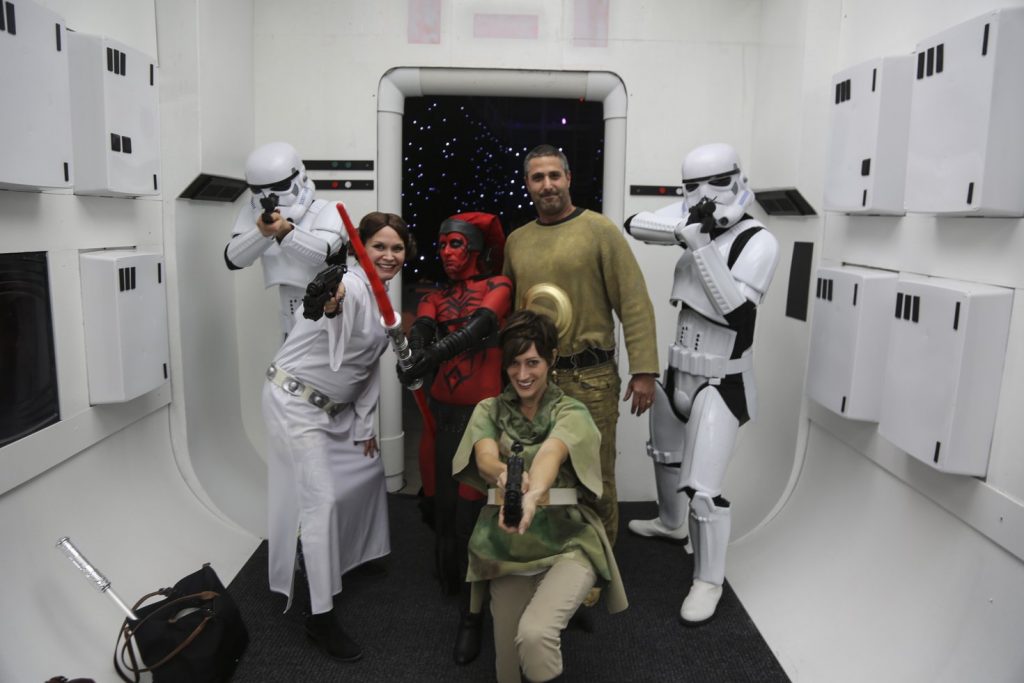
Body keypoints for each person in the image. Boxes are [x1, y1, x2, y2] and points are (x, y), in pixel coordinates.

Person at [624, 142, 779, 624]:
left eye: (712, 184)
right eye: (691, 187)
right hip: (678, 372)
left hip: (721, 381)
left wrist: (697, 243)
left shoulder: (759, 241)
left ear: (736, 179)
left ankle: (709, 579)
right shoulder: (695, 214)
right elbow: (634, 224)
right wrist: (686, 225)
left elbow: (737, 312)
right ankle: (672, 524)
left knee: (705, 493)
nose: (702, 195)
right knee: (666, 460)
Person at [263, 211, 415, 661]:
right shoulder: (350, 285)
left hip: (337, 410)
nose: (388, 255)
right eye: (380, 247)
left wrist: (365, 427)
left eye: (397, 248)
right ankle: (320, 617)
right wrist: (330, 297)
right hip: (294, 404)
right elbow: (337, 301)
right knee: (321, 500)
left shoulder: (386, 302)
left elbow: (366, 372)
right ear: (360, 249)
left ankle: (354, 556)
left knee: (367, 472)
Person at [453, 310, 627, 683]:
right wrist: (503, 475)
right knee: (507, 669)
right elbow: (484, 456)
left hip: (567, 540)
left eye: (532, 362)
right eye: (514, 364)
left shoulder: (572, 411)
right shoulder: (489, 409)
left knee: (535, 635)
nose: (522, 374)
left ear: (551, 358)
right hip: (507, 546)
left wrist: (532, 496)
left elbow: (552, 452)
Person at [503, 144, 660, 548]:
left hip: (591, 379)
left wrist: (644, 371)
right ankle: (553, 556)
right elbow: (509, 312)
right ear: (527, 184)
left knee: (595, 478)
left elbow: (634, 301)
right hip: (534, 381)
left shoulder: (599, 230)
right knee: (541, 473)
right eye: (538, 177)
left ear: (569, 178)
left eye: (555, 175)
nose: (547, 184)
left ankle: (597, 567)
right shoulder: (517, 242)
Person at [397, 212, 513, 664]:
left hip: (481, 420)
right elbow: (425, 327)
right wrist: (413, 354)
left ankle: (474, 615)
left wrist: (429, 358)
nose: (446, 252)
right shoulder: (435, 296)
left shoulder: (499, 286)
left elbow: (477, 329)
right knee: (442, 505)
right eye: (442, 244)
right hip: (440, 416)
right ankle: (455, 584)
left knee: (474, 510)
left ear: (476, 250)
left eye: (456, 245)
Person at [224, 141, 345, 335]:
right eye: (258, 190)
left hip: (331, 304)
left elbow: (321, 253)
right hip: (288, 303)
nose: (270, 196)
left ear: (301, 177)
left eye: (280, 186)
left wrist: (285, 231)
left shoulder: (328, 209)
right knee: (291, 352)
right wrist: (262, 233)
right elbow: (233, 259)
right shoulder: (256, 217)